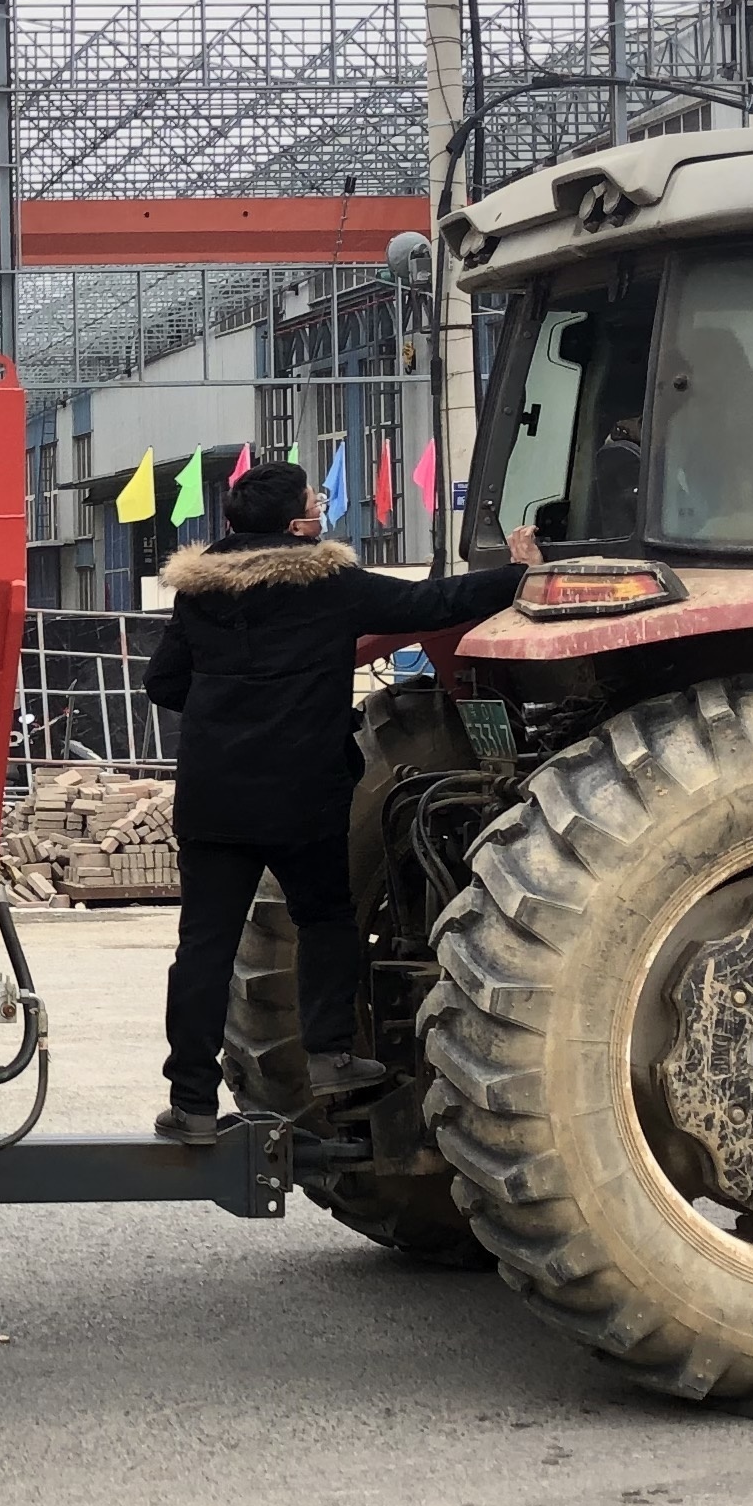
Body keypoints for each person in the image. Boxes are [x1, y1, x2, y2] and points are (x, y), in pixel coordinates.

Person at [139, 461, 529, 1142]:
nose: (321, 508)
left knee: (204, 945)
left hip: (216, 795)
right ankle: (329, 1056)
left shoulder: (198, 594)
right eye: (312, 502)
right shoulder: (329, 584)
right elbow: (431, 605)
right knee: (323, 919)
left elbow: (163, 683)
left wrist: (229, 704)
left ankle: (193, 1103)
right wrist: (519, 571)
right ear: (297, 523)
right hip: (303, 790)